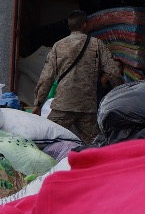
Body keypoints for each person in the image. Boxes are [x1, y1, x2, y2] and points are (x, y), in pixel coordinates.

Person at [33, 10, 123, 143]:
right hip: (87, 108)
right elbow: (113, 72)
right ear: (85, 25)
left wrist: (38, 103)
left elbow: (47, 77)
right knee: (95, 144)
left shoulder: (58, 46)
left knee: (47, 141)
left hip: (63, 106)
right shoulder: (97, 44)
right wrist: (122, 93)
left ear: (69, 27)